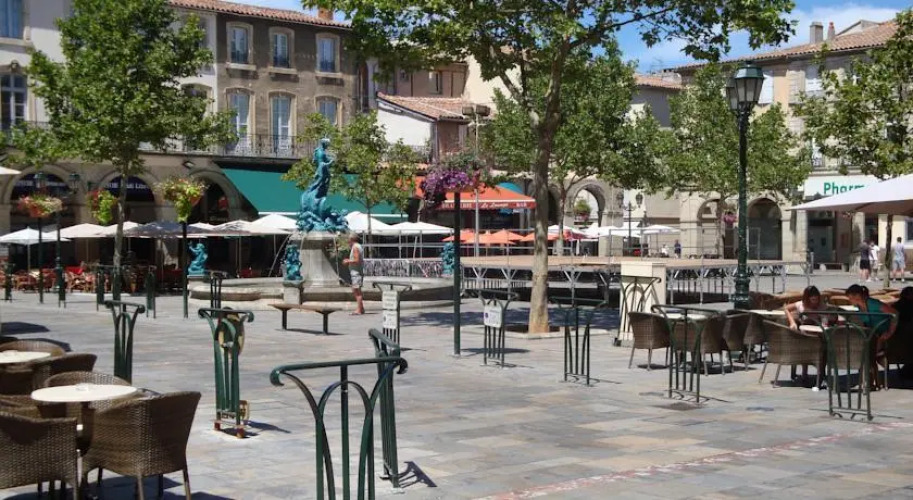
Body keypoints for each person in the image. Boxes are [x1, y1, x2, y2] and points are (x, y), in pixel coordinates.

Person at [342, 233, 365, 315]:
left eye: (348, 239)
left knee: (357, 291)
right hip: (357, 272)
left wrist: (347, 261)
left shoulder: (355, 247)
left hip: (356, 273)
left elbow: (356, 260)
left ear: (352, 239)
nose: (347, 241)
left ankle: (359, 310)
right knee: (356, 290)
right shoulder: (358, 246)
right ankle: (361, 308)